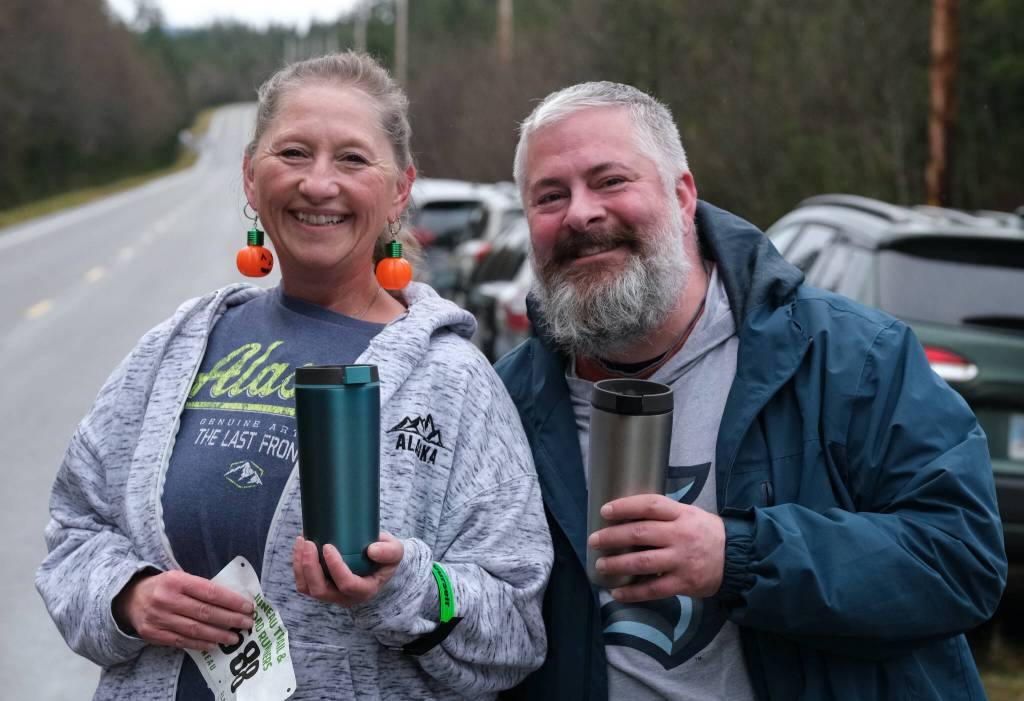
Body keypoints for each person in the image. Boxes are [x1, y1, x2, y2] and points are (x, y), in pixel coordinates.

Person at [36, 52, 551, 700]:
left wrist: (407, 589)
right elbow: (76, 533)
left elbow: (515, 625)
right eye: (294, 153)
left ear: (399, 189)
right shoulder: (178, 347)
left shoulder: (454, 382)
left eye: (352, 159)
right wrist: (127, 595)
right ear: (252, 179)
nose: (318, 183)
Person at [495, 81, 1007, 700]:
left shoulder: (850, 357)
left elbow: (960, 560)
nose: (580, 213)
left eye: (609, 181)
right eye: (551, 196)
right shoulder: (509, 402)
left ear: (682, 196)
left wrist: (738, 556)